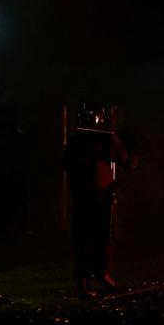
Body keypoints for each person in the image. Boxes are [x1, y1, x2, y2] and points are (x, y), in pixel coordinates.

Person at [62, 103, 129, 297]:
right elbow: (66, 163)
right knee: (87, 237)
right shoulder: (79, 141)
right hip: (87, 194)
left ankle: (100, 274)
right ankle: (85, 280)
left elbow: (124, 159)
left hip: (99, 195)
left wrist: (114, 142)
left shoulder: (100, 139)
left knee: (102, 236)